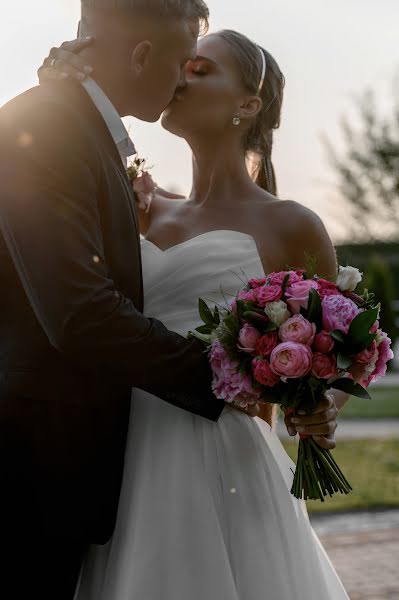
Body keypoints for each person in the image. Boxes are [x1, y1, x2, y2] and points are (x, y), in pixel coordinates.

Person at [39, 21, 354, 599]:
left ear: (248, 104)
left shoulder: (291, 224)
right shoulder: (141, 206)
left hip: (217, 460)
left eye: (201, 69)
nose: (181, 75)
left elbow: (328, 353)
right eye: (182, 62)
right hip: (113, 449)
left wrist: (319, 408)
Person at [0, 2, 259, 599]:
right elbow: (81, 313)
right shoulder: (49, 128)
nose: (179, 81)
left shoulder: (80, 129)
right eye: (179, 62)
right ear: (143, 55)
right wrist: (225, 374)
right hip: (29, 470)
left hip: (70, 465)